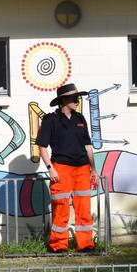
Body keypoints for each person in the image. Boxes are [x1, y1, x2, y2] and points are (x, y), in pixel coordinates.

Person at [36, 82, 99, 253]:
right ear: (64, 100)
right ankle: (58, 245)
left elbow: (87, 146)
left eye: (78, 97)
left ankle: (85, 244)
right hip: (61, 167)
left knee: (83, 207)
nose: (78, 100)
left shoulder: (80, 119)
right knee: (61, 207)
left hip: (82, 169)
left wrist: (93, 169)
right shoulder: (50, 120)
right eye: (74, 98)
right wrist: (50, 168)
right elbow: (42, 146)